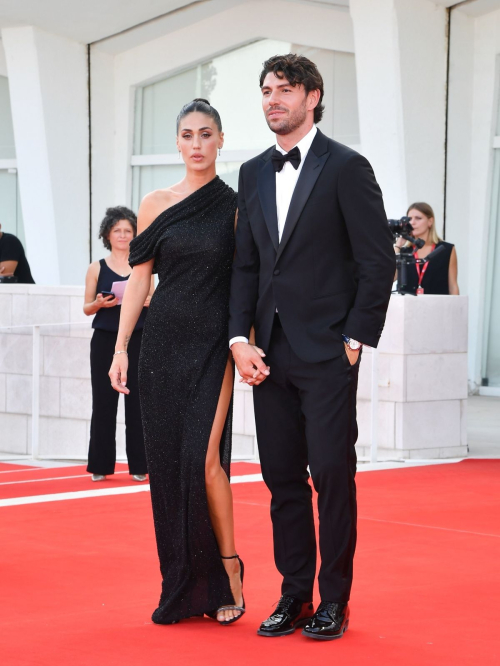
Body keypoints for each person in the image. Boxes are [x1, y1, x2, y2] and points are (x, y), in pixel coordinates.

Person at [229, 54, 395, 641]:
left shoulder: (347, 167)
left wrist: (354, 340)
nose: (273, 99)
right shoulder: (251, 173)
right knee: (281, 480)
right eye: (266, 91)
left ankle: (335, 601)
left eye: (285, 90)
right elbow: (245, 266)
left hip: (327, 353)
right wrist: (237, 339)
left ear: (313, 96)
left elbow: (378, 264)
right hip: (267, 354)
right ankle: (294, 595)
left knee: (332, 475)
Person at [108, 99, 245, 626]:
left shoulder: (236, 204)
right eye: (187, 134)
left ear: (220, 140)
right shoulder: (155, 202)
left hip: (214, 344)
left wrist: (244, 342)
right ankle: (184, 582)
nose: (196, 144)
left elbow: (245, 280)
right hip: (160, 343)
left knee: (204, 460)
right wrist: (122, 347)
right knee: (166, 469)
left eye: (205, 134)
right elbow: (140, 278)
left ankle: (229, 570)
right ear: (178, 142)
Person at [84, 206, 153, 482]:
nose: (123, 235)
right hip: (104, 340)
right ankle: (99, 465)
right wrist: (99, 303)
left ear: (135, 235)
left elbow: (154, 298)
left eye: (128, 231)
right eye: (117, 231)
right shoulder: (95, 268)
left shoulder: (143, 264)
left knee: (137, 403)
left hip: (138, 338)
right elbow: (87, 307)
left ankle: (139, 465)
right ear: (107, 235)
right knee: (103, 402)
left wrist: (149, 300)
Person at [394, 202, 459, 295]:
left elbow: (453, 286)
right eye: (410, 219)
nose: (412, 222)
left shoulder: (446, 249)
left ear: (430, 221)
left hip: (438, 307)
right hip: (409, 307)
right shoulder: (404, 251)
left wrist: (455, 308)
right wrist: (398, 246)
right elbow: (390, 278)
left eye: (418, 218)